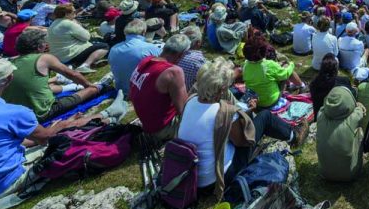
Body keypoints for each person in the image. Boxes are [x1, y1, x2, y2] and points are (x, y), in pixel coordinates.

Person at [0, 58, 123, 203]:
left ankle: (105, 116)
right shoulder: (13, 112)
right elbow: (46, 138)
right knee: (63, 135)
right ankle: (107, 117)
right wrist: (61, 125)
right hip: (1, 186)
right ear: (8, 80)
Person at [176, 59, 306, 197]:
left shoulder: (190, 101)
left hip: (191, 176)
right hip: (216, 180)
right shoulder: (223, 112)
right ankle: (294, 136)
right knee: (265, 117)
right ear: (221, 90)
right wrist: (246, 112)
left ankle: (291, 134)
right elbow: (242, 142)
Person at [2, 28, 125, 122]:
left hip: (18, 114)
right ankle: (100, 86)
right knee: (92, 90)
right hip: (41, 113)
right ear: (40, 46)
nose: (46, 45)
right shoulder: (44, 58)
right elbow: (72, 74)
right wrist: (88, 84)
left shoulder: (11, 63)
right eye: (45, 43)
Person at [129, 42, 189, 142]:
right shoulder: (173, 72)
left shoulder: (146, 60)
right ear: (181, 55)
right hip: (162, 128)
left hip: (146, 121)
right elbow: (184, 111)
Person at [242, 32, 304, 109]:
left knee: (275, 72)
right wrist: (291, 64)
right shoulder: (268, 65)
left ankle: (292, 85)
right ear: (264, 51)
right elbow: (285, 74)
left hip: (255, 100)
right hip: (270, 101)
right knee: (286, 67)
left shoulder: (245, 65)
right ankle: (301, 86)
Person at [316, 86, 365, 182]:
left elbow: (323, 108)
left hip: (323, 173)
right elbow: (361, 109)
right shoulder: (354, 118)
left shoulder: (320, 115)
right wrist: (357, 104)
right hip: (349, 175)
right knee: (360, 132)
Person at [47, 4, 109, 73]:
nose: (75, 13)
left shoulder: (53, 25)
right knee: (104, 46)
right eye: (73, 12)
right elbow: (87, 37)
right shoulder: (67, 23)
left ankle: (83, 63)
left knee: (93, 44)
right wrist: (78, 24)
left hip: (61, 58)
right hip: (71, 55)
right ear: (66, 14)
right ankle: (85, 65)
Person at [108, 18, 162, 96]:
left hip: (121, 90)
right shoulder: (149, 48)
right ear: (144, 32)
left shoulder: (114, 49)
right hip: (143, 91)